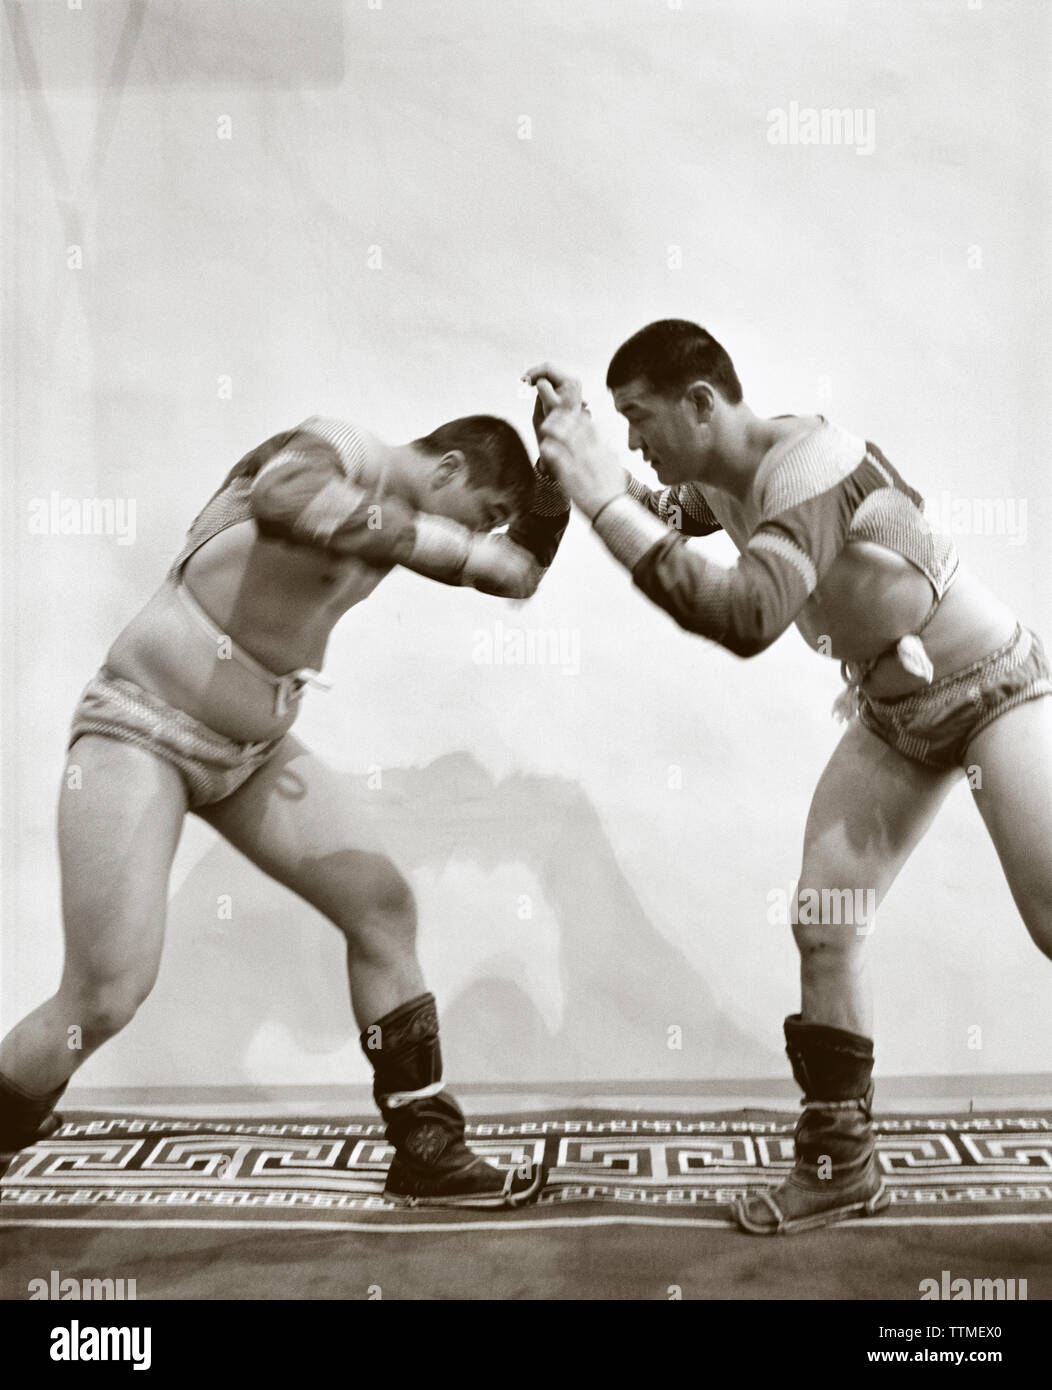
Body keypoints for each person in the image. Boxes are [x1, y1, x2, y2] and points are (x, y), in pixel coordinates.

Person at [527, 321, 1052, 1234]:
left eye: (639, 417)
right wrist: (567, 455)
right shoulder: (719, 483)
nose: (634, 440)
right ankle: (841, 1164)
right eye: (618, 422)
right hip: (893, 714)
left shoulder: (807, 463)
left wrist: (604, 496)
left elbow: (747, 615)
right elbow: (653, 513)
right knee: (826, 922)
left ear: (703, 402)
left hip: (994, 687)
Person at [0, 402, 569, 1208]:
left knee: (382, 907)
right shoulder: (339, 445)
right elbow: (285, 496)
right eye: (486, 512)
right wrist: (441, 539)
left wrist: (556, 475)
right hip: (143, 731)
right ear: (446, 471)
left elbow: (518, 572)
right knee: (104, 995)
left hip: (252, 755)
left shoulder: (404, 523)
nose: (484, 532)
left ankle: (426, 1149)